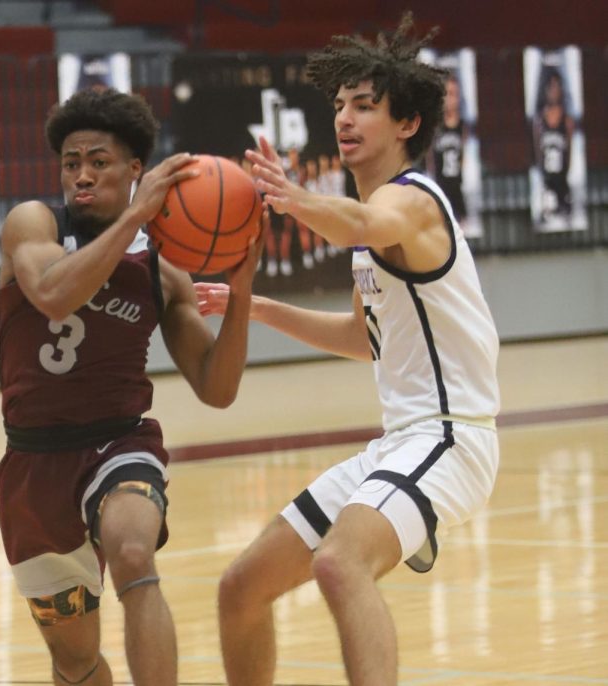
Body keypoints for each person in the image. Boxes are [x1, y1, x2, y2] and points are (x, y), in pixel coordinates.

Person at [197, 15, 500, 686]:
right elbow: (363, 340)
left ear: (407, 124)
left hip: (454, 438)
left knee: (338, 563)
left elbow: (367, 220)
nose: (346, 116)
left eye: (365, 104)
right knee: (240, 587)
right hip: (400, 443)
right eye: (339, 105)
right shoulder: (367, 232)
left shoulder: (412, 203)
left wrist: (293, 197)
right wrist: (254, 306)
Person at [0, 87, 261, 686]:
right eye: (71, 163)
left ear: (135, 169)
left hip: (120, 444)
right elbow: (55, 293)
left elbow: (217, 389)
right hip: (34, 461)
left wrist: (241, 292)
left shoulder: (165, 274)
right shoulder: (34, 224)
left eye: (99, 162)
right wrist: (137, 217)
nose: (81, 175)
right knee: (76, 662)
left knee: (135, 554)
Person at [532, 67, 574, 228]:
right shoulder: (539, 121)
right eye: (551, 86)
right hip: (546, 182)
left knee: (565, 219)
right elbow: (537, 154)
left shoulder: (567, 120)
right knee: (548, 220)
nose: (554, 91)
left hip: (562, 180)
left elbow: (570, 153)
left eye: (558, 86)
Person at [427, 73, 468, 221]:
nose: (450, 99)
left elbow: (466, 159)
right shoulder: (434, 127)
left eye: (454, 94)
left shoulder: (464, 127)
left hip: (459, 189)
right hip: (440, 189)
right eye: (447, 94)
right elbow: (430, 161)